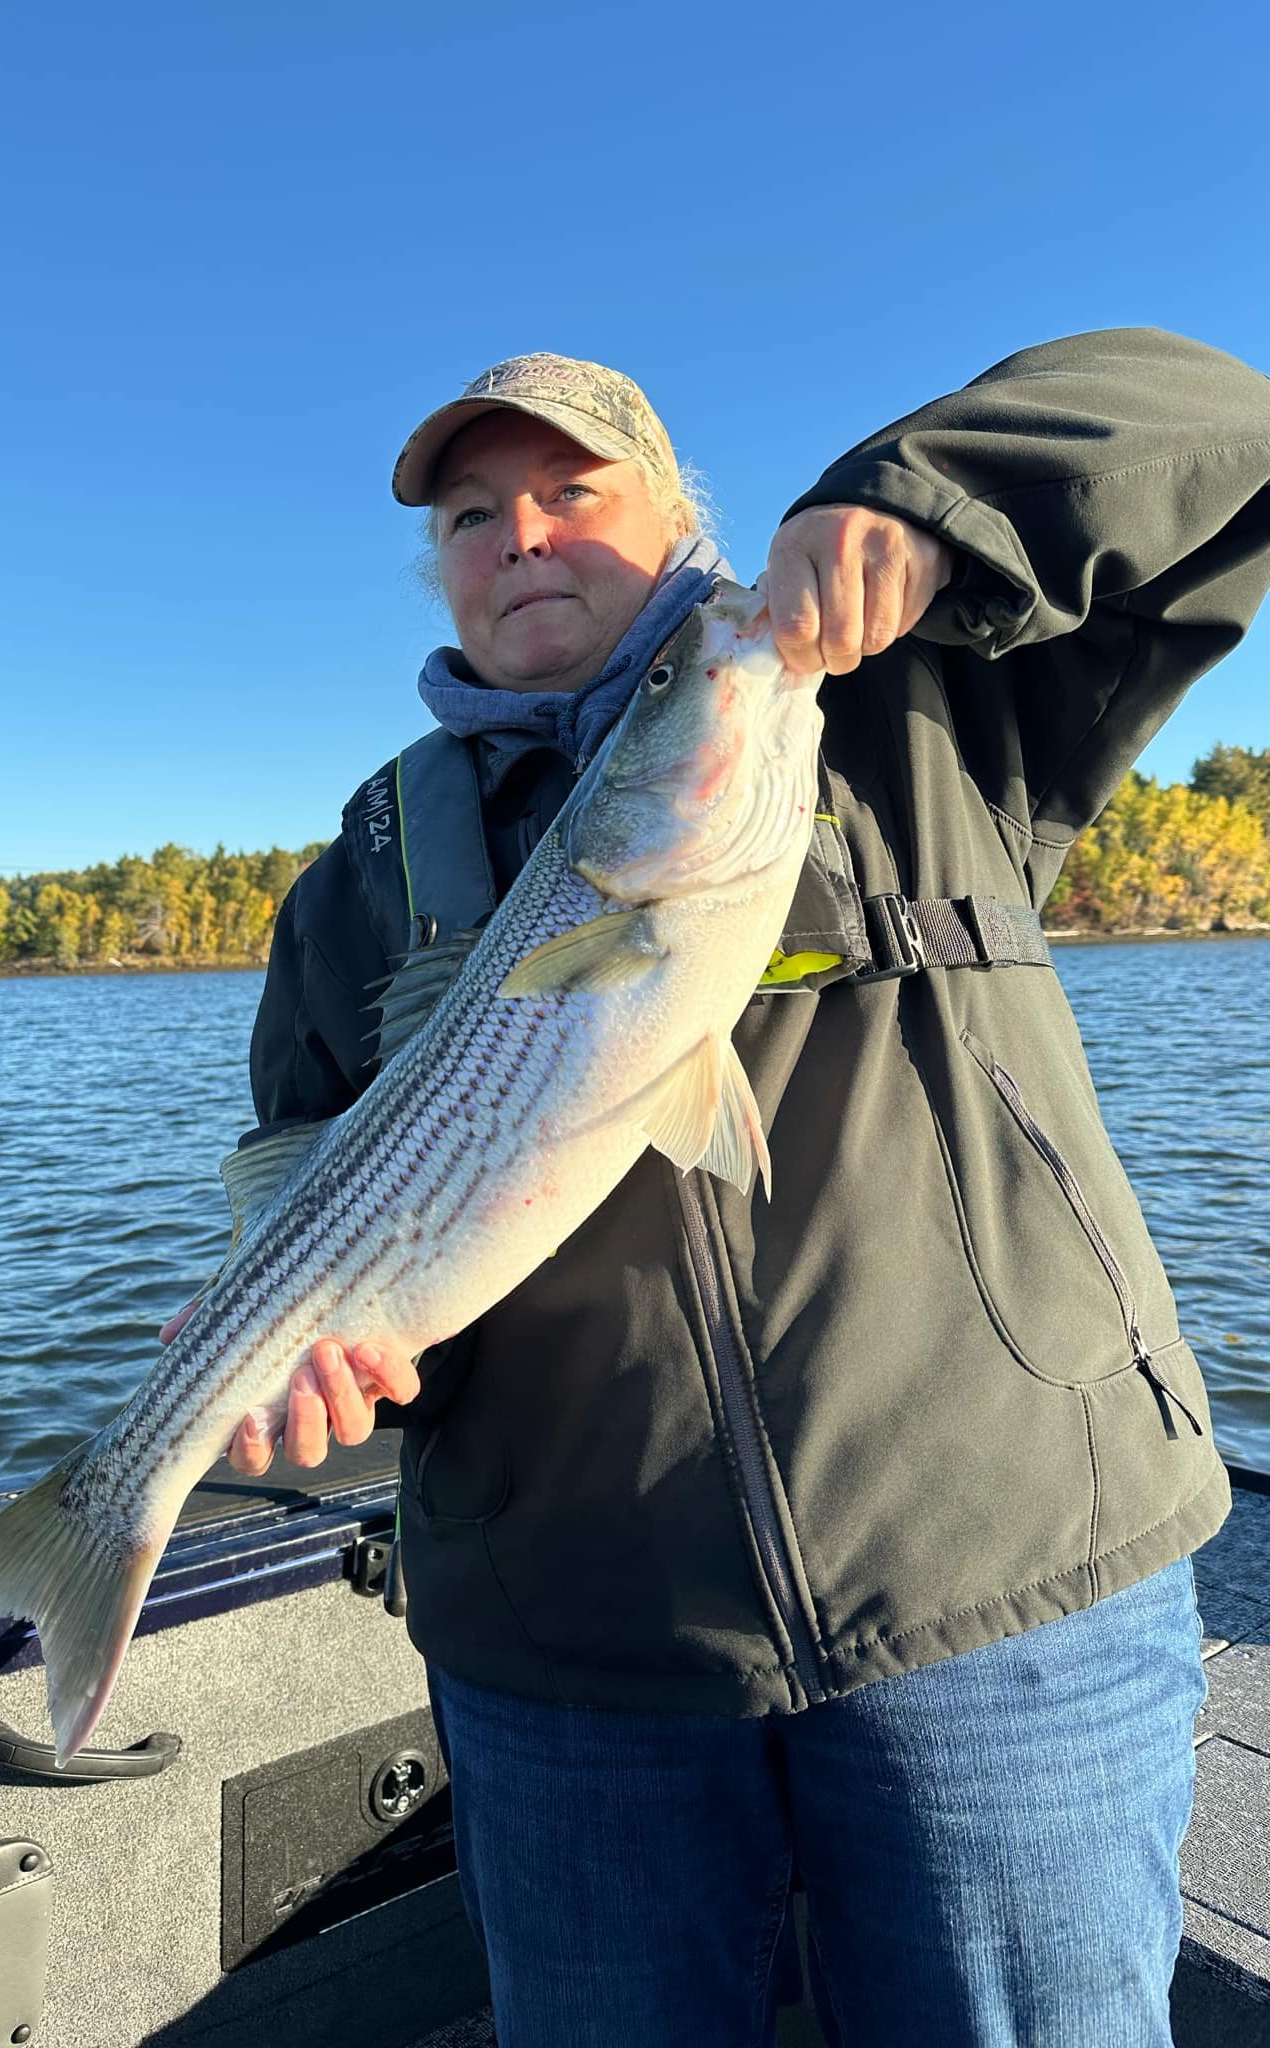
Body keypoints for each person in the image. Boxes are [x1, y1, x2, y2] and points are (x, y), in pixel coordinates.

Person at [163, 334, 1270, 2044]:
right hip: (574, 1667)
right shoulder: (357, 881)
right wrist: (347, 1368)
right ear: (439, 572)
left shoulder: (915, 699)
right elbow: (322, 1190)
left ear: (685, 517)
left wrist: (916, 498)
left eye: (572, 490)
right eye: (471, 516)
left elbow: (1226, 426)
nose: (522, 536)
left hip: (1002, 1597)